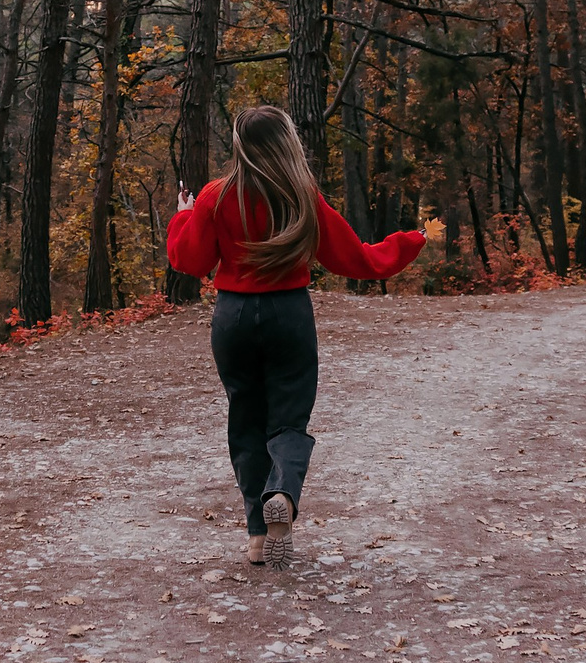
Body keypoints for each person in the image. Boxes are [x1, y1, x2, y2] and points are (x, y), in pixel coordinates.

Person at [166, 105, 428, 570]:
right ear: (287, 141)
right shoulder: (303, 195)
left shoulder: (214, 196)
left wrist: (183, 216)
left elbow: (189, 261)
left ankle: (256, 538)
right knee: (287, 419)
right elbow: (358, 261)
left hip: (233, 317)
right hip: (289, 314)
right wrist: (409, 241)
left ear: (239, 144)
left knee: (245, 419)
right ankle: (282, 494)